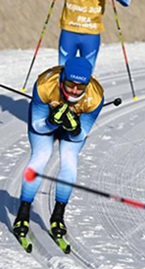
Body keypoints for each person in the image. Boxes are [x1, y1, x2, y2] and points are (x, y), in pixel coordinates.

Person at [14, 57, 104, 243]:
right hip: (45, 120)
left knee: (69, 161)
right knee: (41, 156)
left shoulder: (95, 97)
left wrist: (76, 129)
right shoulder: (45, 84)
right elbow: (38, 127)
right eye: (70, 84)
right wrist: (51, 122)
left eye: (80, 87)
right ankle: (23, 213)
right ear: (63, 77)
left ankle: (58, 216)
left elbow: (79, 136)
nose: (74, 91)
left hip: (71, 125)